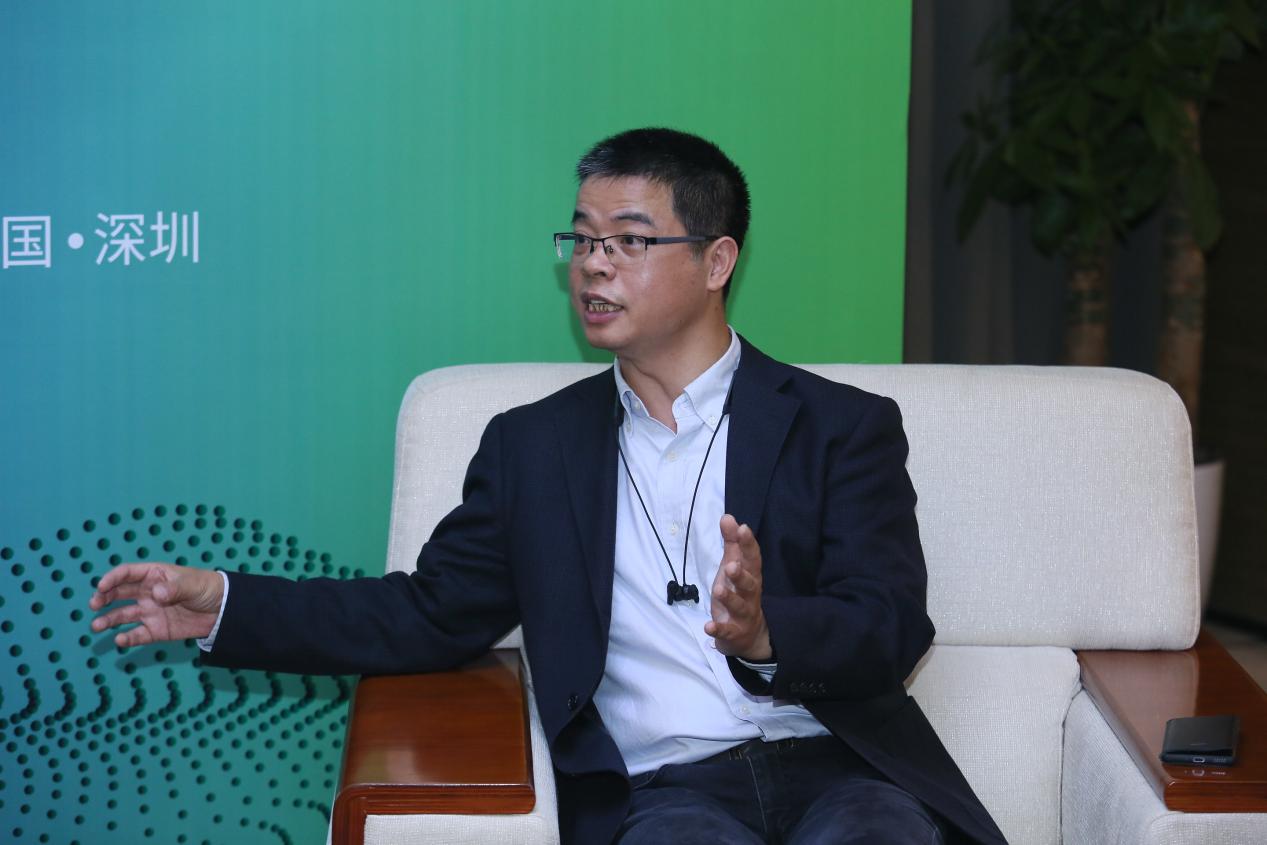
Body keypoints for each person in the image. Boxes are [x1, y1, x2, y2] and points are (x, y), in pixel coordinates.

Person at [90, 128, 1006, 845]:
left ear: (717, 261)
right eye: (582, 238)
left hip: (840, 769)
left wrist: (766, 632)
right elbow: (424, 613)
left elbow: (891, 623)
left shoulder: (838, 424)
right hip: (666, 792)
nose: (592, 264)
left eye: (629, 240)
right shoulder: (534, 447)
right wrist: (224, 605)